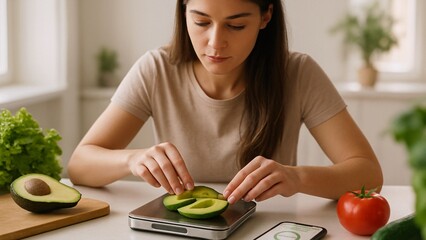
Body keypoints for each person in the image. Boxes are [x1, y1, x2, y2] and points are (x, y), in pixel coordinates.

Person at [68, 0, 383, 204]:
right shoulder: (156, 69)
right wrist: (131, 160)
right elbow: (80, 165)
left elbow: (368, 174)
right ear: (183, 13)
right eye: (201, 22)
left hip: (272, 228)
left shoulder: (298, 73)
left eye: (236, 25)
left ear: (265, 16)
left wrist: (296, 177)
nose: (215, 43)